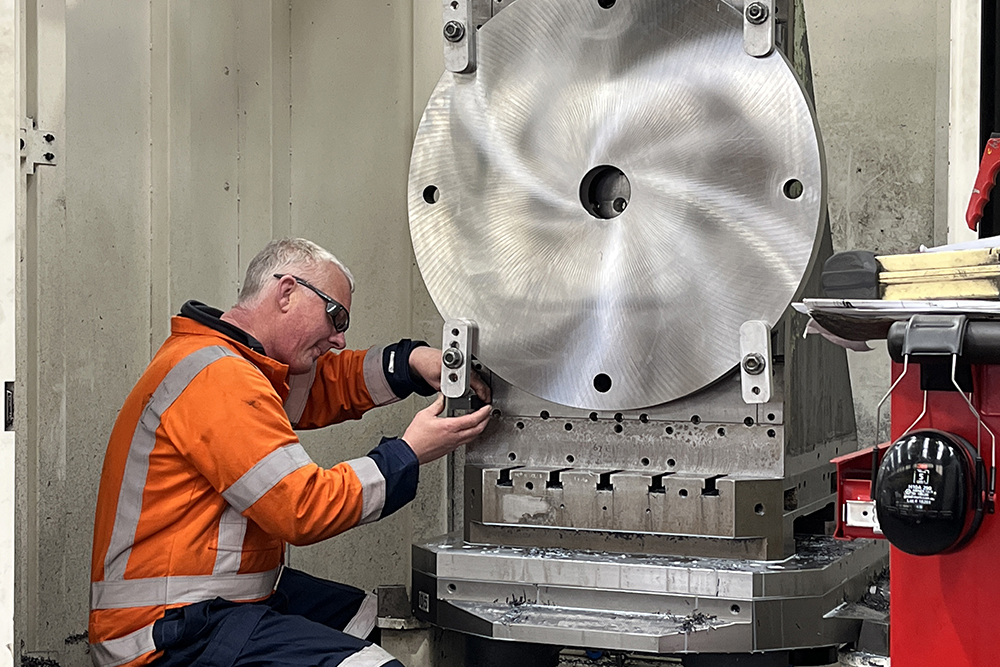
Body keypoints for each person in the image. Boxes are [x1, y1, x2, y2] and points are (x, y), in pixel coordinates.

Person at [88, 238, 492, 667]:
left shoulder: (234, 362)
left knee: (376, 623)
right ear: (286, 292)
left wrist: (409, 362)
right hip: (167, 634)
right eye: (336, 316)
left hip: (220, 605)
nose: (338, 338)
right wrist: (409, 452)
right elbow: (301, 507)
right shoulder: (220, 378)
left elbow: (325, 386)